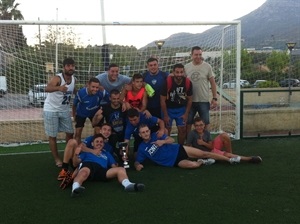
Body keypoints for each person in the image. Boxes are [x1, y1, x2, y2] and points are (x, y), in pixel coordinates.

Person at [134, 124, 241, 171]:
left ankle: (229, 160)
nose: (146, 133)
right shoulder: (142, 148)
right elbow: (137, 161)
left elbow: (171, 140)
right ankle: (202, 162)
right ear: (140, 135)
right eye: (143, 132)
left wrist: (163, 141)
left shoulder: (156, 135)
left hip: (179, 149)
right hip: (173, 162)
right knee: (193, 165)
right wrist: (137, 166)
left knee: (204, 153)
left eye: (147, 131)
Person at [71, 133, 145, 197]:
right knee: (84, 172)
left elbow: (114, 166)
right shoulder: (87, 153)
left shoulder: (107, 153)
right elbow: (75, 163)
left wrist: (123, 161)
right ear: (92, 144)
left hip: (102, 170)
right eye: (97, 141)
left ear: (103, 144)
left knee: (121, 169)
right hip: (88, 165)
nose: (99, 143)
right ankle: (75, 188)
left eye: (101, 142)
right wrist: (76, 154)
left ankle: (128, 185)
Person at [43, 57, 77, 167]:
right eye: (68, 66)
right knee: (53, 136)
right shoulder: (58, 78)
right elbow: (47, 88)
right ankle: (57, 159)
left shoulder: (74, 80)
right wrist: (59, 88)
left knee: (70, 133)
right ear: (64, 67)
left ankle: (68, 155)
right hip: (51, 110)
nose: (70, 68)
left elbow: (74, 91)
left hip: (64, 110)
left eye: (72, 66)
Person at [186, 117, 262, 163]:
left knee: (224, 135)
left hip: (211, 150)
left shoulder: (207, 132)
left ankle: (230, 155)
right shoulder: (192, 134)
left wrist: (203, 143)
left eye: (201, 125)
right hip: (204, 153)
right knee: (226, 155)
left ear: (204, 125)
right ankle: (249, 159)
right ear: (194, 126)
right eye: (197, 126)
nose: (199, 127)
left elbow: (211, 146)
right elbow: (188, 148)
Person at [184, 46, 218, 133]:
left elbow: (213, 83)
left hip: (203, 100)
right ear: (191, 55)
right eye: (196, 55)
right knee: (188, 123)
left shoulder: (207, 66)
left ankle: (206, 142)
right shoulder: (186, 67)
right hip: (190, 101)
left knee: (205, 123)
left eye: (200, 54)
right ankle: (188, 142)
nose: (198, 56)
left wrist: (215, 98)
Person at [160, 63, 193, 144]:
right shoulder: (167, 82)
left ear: (184, 72)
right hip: (168, 109)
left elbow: (190, 100)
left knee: (182, 130)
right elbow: (162, 100)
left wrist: (186, 114)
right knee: (167, 130)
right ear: (173, 72)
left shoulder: (188, 82)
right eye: (177, 72)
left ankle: (180, 149)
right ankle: (168, 148)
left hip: (181, 109)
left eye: (181, 72)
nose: (179, 74)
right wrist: (165, 115)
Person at [92, 90, 127, 162]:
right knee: (113, 138)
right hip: (112, 134)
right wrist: (96, 115)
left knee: (124, 158)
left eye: (118, 98)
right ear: (110, 98)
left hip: (123, 133)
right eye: (114, 99)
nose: (116, 100)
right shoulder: (105, 108)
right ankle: (112, 154)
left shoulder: (124, 107)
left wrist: (124, 103)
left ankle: (122, 156)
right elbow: (94, 124)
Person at [72, 77, 109, 144]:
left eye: (97, 87)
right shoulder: (81, 93)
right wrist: (74, 115)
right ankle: (77, 150)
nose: (95, 89)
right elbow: (74, 105)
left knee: (98, 131)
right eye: (93, 87)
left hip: (94, 113)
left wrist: (102, 110)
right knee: (78, 131)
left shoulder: (101, 92)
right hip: (81, 113)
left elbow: (110, 100)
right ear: (88, 85)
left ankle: (96, 146)